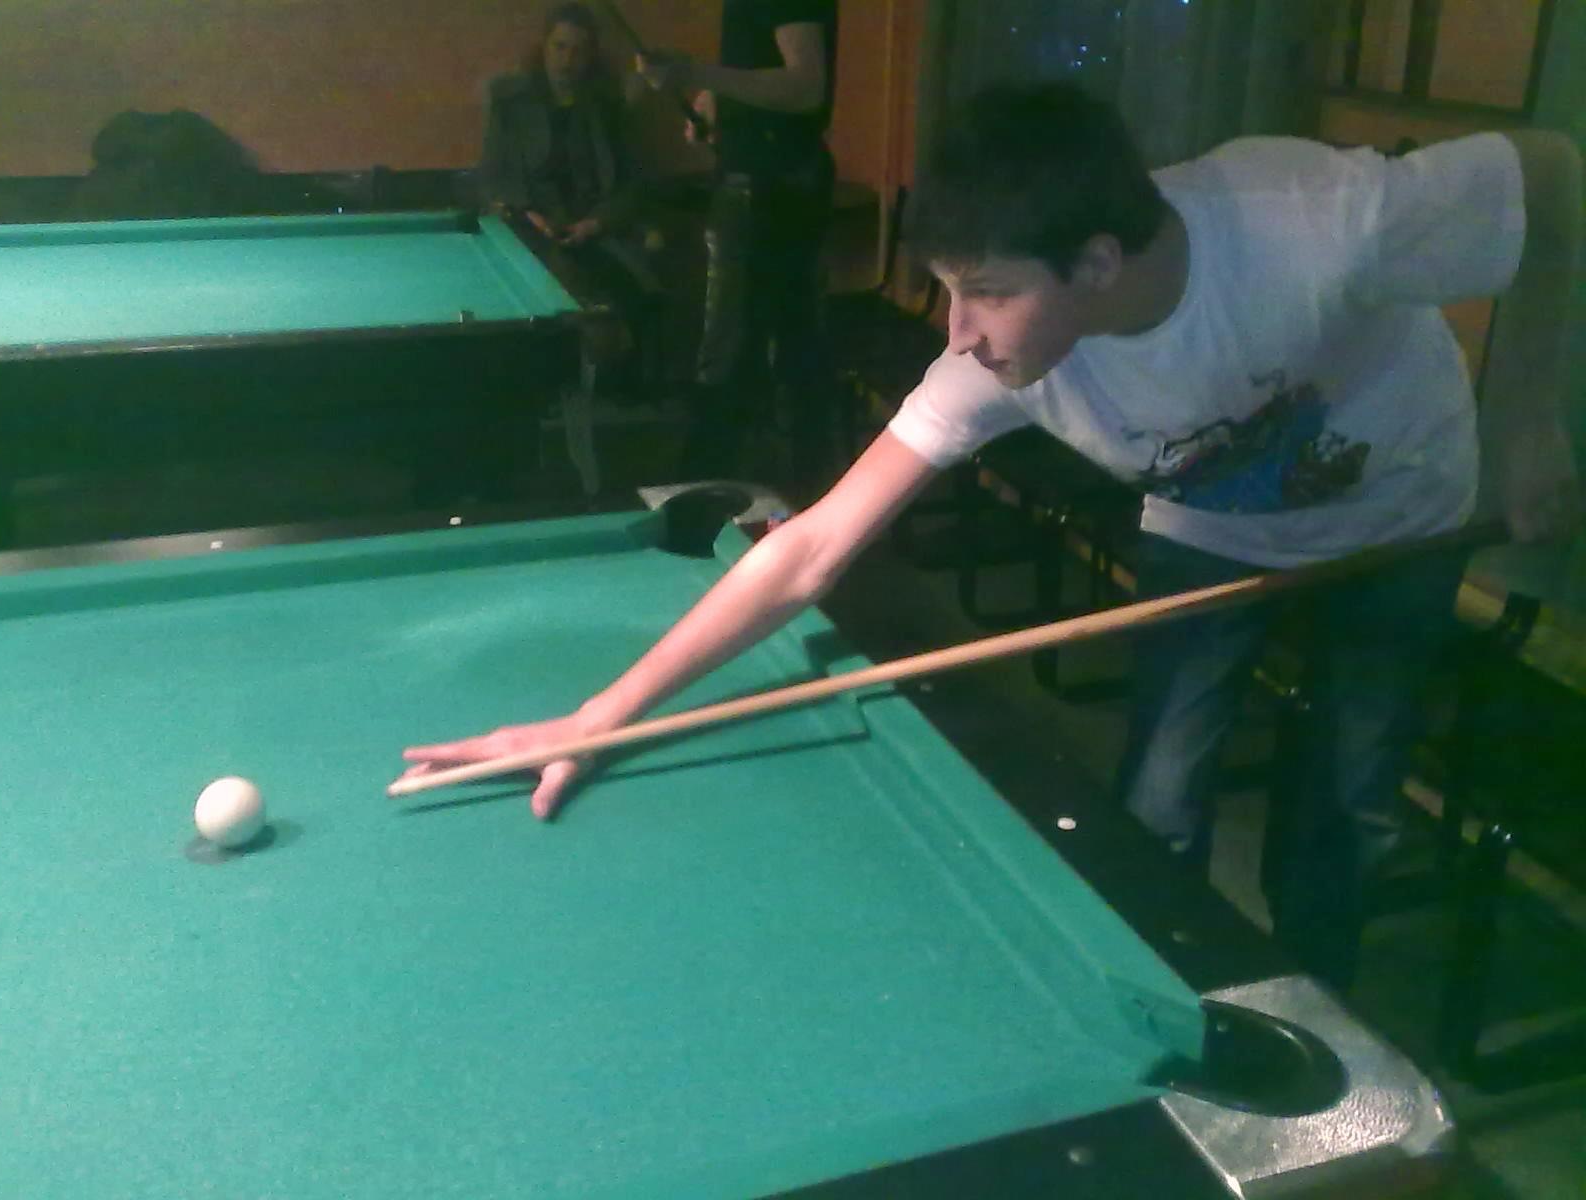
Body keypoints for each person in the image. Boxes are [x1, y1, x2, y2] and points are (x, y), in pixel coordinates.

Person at [402, 83, 1581, 991]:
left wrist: (1533, 423)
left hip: (1403, 510)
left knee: (1346, 803)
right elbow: (810, 547)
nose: (956, 332)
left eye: (985, 291)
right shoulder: (996, 363)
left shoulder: (1317, 224)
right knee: (1160, 796)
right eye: (945, 289)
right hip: (1212, 524)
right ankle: (1176, 1005)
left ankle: (1327, 1028)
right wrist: (603, 712)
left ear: (1097, 262)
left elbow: (1554, 173)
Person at [634, 0, 839, 487]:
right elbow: (765, 69)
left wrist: (696, 73)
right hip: (777, 185)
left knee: (733, 354)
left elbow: (805, 85)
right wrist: (716, 103)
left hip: (767, 193)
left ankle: (699, 498)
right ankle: (809, 498)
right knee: (789, 349)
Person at [479, 2, 656, 394]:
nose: (567, 60)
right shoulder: (511, 102)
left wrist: (594, 224)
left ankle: (614, 389)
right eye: (559, 47)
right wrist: (527, 215)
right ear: (544, 46)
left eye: (578, 51)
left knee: (633, 290)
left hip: (593, 229)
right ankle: (555, 388)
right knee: (553, 288)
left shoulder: (607, 106)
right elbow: (493, 177)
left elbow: (632, 185)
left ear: (591, 56)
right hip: (528, 228)